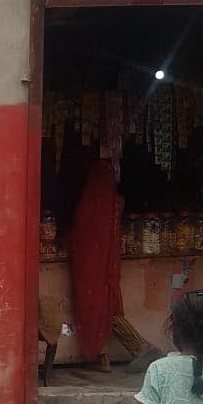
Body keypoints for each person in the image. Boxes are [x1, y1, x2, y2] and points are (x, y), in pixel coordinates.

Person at [68, 158, 123, 371]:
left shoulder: (86, 206)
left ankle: (97, 352)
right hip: (106, 271)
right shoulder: (114, 205)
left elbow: (75, 236)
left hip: (87, 271)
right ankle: (102, 354)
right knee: (104, 308)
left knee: (90, 307)